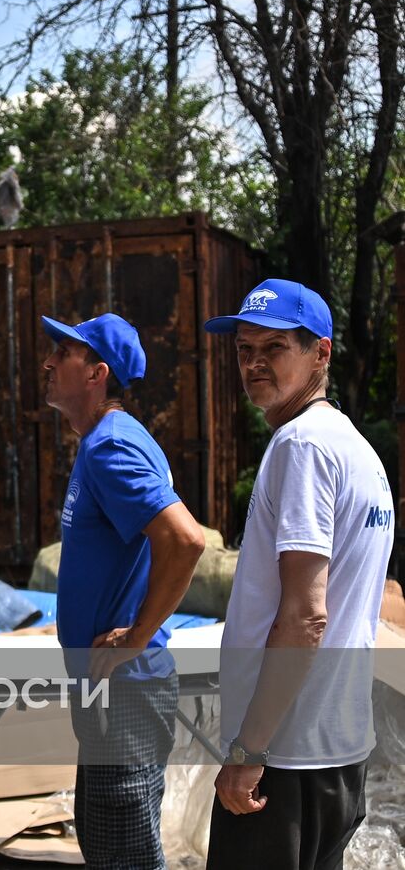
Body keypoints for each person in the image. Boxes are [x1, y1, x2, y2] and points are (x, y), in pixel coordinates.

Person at [203, 279, 389, 869]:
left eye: (274, 348)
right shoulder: (355, 449)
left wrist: (249, 748)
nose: (253, 363)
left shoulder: (302, 446)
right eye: (243, 349)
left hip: (286, 758)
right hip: (334, 746)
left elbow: (306, 615)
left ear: (321, 353)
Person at [40, 313, 205, 870]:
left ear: (97, 373)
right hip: (112, 689)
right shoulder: (103, 443)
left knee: (124, 856)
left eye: (63, 353)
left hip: (126, 689)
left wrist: (138, 636)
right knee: (106, 844)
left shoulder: (111, 447)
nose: (48, 361)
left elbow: (185, 541)